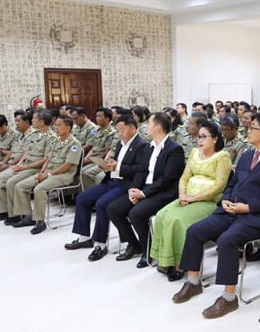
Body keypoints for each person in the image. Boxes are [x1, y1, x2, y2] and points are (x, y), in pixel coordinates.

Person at [172, 111, 260, 319]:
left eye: (253, 128)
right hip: (230, 210)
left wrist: (247, 207)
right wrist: (226, 199)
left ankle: (228, 298)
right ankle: (193, 282)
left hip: (255, 217)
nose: (248, 131)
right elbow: (232, 183)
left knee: (226, 240)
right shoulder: (247, 156)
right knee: (195, 231)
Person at [150, 121, 232, 280]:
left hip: (208, 201)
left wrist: (193, 198)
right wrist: (182, 195)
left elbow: (219, 186)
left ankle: (181, 263)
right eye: (198, 137)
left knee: (177, 219)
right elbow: (184, 177)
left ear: (215, 139)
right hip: (187, 197)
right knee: (161, 214)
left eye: (204, 137)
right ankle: (166, 259)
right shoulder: (194, 152)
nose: (200, 140)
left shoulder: (223, 156)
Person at [106, 113, 186, 264]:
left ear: (157, 127)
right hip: (144, 188)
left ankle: (148, 249)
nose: (145, 126)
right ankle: (134, 245)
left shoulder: (174, 149)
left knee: (136, 214)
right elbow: (141, 171)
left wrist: (143, 193)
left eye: (149, 123)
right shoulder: (149, 147)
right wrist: (133, 190)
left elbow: (167, 179)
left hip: (163, 192)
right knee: (113, 209)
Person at [65, 115, 148, 261]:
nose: (120, 134)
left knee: (102, 204)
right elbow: (117, 162)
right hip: (112, 180)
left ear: (133, 128)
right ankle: (84, 237)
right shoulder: (120, 144)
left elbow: (139, 170)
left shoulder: (142, 145)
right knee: (82, 198)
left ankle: (100, 244)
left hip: (125, 184)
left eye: (122, 130)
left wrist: (118, 167)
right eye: (118, 130)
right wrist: (107, 165)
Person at [11, 115, 83, 234]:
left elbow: (67, 165)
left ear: (68, 128)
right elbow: (48, 159)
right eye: (56, 125)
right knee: (20, 186)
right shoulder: (56, 141)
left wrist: (48, 175)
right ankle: (28, 216)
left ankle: (40, 221)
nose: (56, 128)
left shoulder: (74, 144)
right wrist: (41, 172)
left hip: (64, 175)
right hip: (49, 172)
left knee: (39, 189)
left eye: (59, 125)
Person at [0, 111, 34, 220]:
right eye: (15, 121)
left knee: (0, 179)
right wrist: (4, 163)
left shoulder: (31, 135)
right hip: (12, 162)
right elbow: (12, 152)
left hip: (23, 164)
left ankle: (13, 213)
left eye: (18, 121)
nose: (16, 123)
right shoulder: (19, 135)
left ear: (27, 122)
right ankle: (2, 208)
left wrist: (9, 165)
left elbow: (24, 154)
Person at [81, 107, 117, 190]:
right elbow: (93, 147)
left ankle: (91, 194)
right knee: (81, 171)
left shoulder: (111, 132)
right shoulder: (97, 130)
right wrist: (86, 158)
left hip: (101, 159)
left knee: (87, 174)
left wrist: (90, 160)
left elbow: (108, 151)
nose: (97, 118)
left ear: (107, 119)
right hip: (93, 158)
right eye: (96, 116)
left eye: (99, 116)